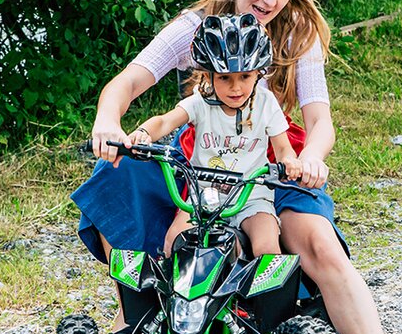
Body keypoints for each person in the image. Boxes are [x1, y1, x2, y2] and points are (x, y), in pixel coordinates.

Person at [71, 0, 402, 334]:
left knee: (316, 242)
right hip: (204, 161)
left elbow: (319, 119)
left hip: (277, 162)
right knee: (122, 186)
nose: (271, 1)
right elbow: (125, 86)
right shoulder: (195, 28)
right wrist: (109, 124)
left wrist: (311, 159)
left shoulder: (298, 33)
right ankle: (142, 314)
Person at [127, 13, 301, 258]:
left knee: (267, 247)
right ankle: (170, 294)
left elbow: (283, 148)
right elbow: (166, 121)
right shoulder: (201, 102)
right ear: (208, 76)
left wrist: (289, 162)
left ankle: (264, 295)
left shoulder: (265, 103)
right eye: (224, 78)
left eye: (245, 76)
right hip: (203, 198)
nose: (236, 88)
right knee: (174, 241)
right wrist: (144, 133)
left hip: (252, 197)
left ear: (258, 74)